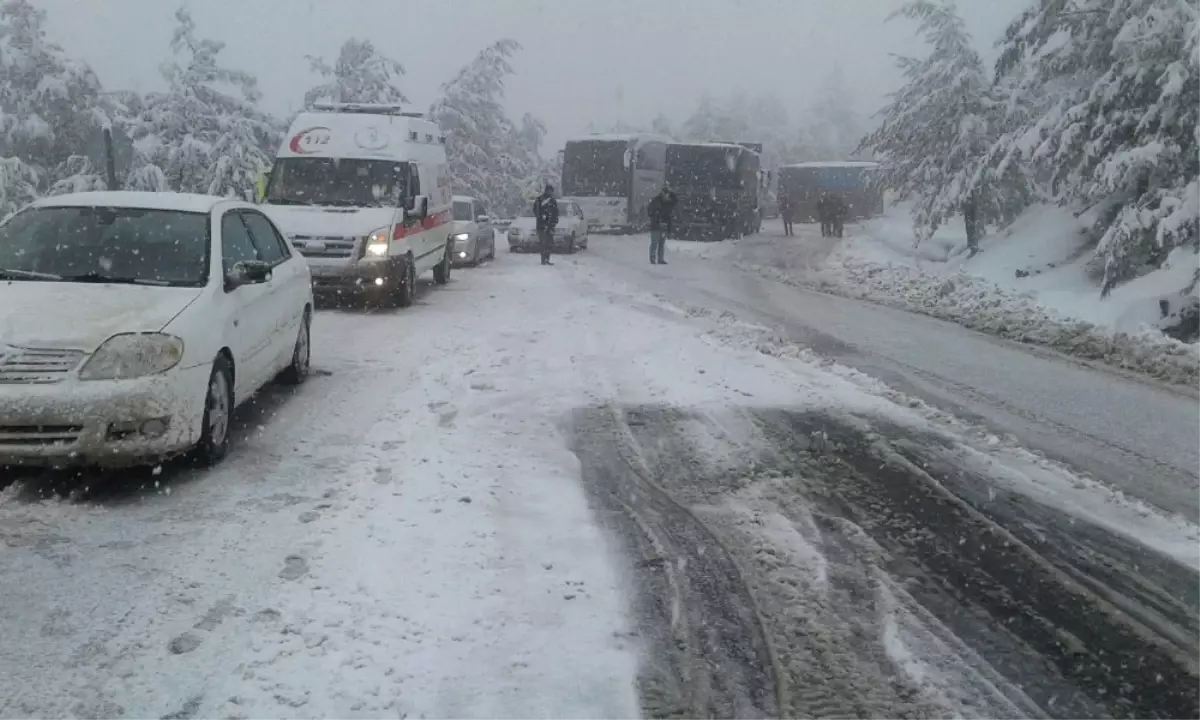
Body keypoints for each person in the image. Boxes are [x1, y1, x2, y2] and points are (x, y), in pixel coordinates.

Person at [647, 184, 678, 265]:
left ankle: (660, 259)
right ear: (662, 193)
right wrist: (656, 218)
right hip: (656, 225)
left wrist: (672, 193)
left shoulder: (668, 202)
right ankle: (653, 258)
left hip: (664, 225)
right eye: (665, 193)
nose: (666, 195)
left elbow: (675, 201)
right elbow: (650, 212)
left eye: (667, 193)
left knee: (661, 244)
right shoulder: (656, 201)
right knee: (655, 243)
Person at [533, 183, 559, 266]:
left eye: (551, 191)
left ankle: (547, 259)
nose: (551, 192)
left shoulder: (553, 201)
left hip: (550, 225)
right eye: (549, 191)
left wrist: (554, 222)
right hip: (542, 225)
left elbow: (556, 212)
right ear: (546, 190)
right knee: (543, 243)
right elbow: (536, 211)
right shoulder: (540, 200)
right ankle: (543, 259)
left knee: (549, 243)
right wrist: (541, 218)